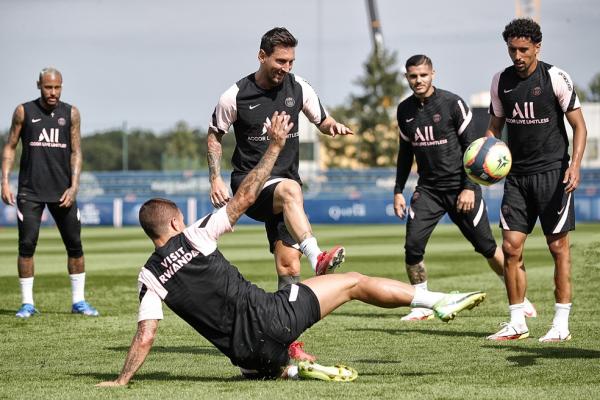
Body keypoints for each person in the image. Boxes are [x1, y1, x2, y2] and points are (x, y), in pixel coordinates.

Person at [96, 112, 486, 386]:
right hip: (274, 319)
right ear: (176, 223)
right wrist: (275, 148)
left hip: (249, 357)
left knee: (261, 359)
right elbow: (246, 196)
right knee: (352, 282)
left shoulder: (148, 277)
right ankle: (435, 301)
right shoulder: (195, 235)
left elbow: (146, 335)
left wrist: (121, 380)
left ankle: (293, 368)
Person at [207, 27, 353, 289]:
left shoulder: (298, 87)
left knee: (289, 265)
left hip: (287, 191)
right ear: (262, 56)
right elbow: (214, 135)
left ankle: (287, 325)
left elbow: (322, 120)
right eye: (280, 61)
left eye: (290, 62)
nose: (286, 67)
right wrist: (215, 179)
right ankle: (317, 256)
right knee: (290, 189)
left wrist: (332, 126)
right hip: (250, 186)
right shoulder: (235, 95)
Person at [393, 55, 535, 321]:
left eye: (423, 75)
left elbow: (475, 146)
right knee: (412, 247)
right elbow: (404, 153)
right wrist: (398, 190)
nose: (418, 81)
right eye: (413, 76)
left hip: (462, 189)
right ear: (407, 77)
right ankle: (423, 305)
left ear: (433, 73)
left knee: (487, 247)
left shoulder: (452, 104)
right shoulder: (404, 111)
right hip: (429, 191)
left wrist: (469, 187)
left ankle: (521, 298)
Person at [485, 19, 587, 342]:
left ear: (537, 48)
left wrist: (575, 165)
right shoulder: (500, 81)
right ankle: (517, 321)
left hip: (554, 175)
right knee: (510, 247)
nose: (517, 55)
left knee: (558, 247)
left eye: (524, 50)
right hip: (516, 178)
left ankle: (561, 324)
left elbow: (579, 127)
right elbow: (494, 127)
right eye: (512, 49)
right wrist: (485, 157)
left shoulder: (556, 78)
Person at [1, 67, 98, 318]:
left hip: (63, 192)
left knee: (75, 246)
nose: (52, 92)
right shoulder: (24, 111)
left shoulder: (71, 113)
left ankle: (79, 302)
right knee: (26, 246)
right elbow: (10, 146)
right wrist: (4, 182)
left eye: (57, 87)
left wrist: (74, 187)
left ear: (61, 87)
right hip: (29, 192)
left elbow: (76, 151)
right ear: (39, 85)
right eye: (48, 87)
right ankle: (27, 304)